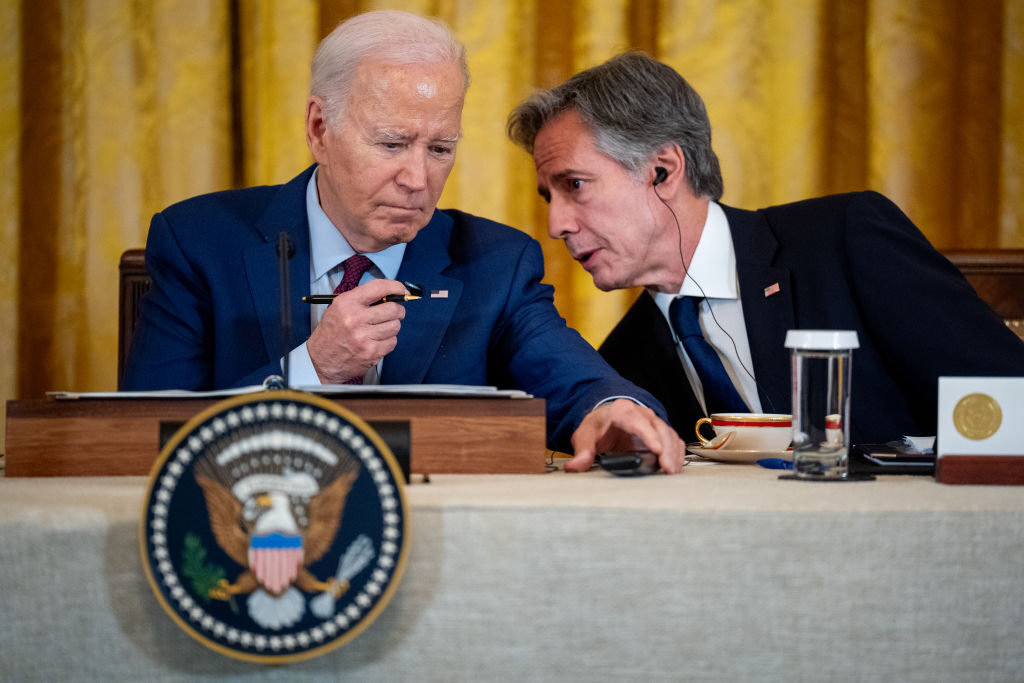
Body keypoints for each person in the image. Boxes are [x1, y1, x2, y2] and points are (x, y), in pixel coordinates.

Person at [122, 13, 684, 473]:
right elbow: (144, 437)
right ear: (320, 129)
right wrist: (313, 368)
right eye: (393, 144)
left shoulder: (495, 261)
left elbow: (572, 378)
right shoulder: (199, 241)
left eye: (440, 149)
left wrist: (614, 410)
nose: (419, 179)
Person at [507, 51, 1024, 449]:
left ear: (662, 170)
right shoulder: (622, 364)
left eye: (574, 185)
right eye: (548, 196)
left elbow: (1007, 394)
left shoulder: (844, 239)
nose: (556, 224)